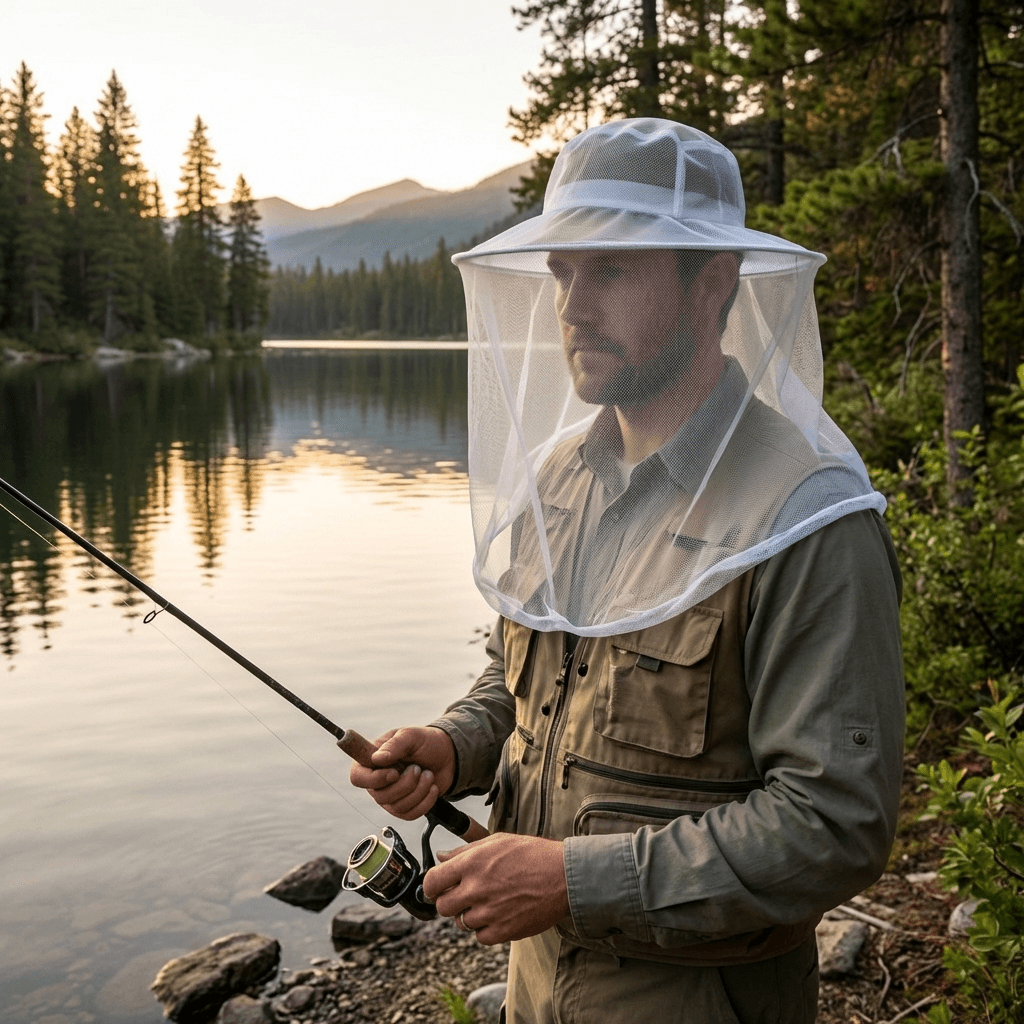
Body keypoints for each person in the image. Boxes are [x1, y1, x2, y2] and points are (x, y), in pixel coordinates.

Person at [351, 119, 904, 1023]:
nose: (571, 305)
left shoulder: (806, 517)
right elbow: (528, 677)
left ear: (712, 283)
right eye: (564, 270)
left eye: (611, 269)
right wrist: (456, 746)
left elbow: (834, 825)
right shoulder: (559, 479)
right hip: (538, 989)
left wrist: (573, 881)